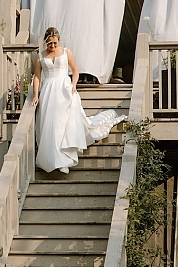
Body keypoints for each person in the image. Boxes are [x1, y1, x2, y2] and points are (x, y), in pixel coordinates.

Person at [30, 27, 126, 174]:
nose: (53, 46)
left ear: (59, 40)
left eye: (55, 43)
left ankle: (65, 160)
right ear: (45, 42)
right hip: (49, 90)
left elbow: (75, 71)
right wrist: (36, 95)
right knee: (51, 124)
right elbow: (37, 77)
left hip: (65, 89)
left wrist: (73, 85)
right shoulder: (40, 57)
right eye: (50, 44)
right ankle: (51, 159)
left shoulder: (66, 52)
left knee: (64, 123)